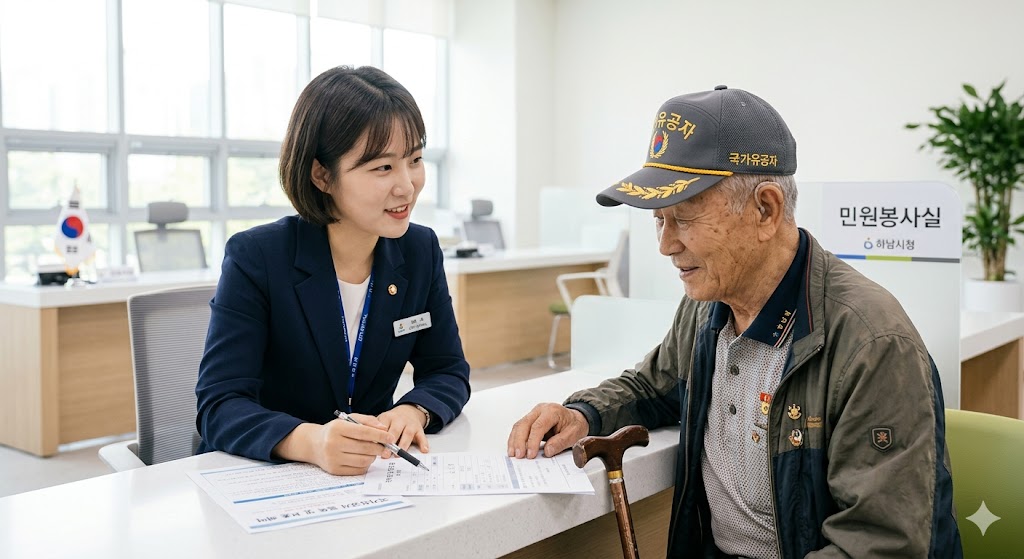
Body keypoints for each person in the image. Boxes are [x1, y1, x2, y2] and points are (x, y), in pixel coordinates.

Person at [507, 86, 962, 558]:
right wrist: (583, 414)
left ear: (766, 209)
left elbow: (882, 545)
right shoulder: (709, 303)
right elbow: (653, 387)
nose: (665, 245)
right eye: (659, 220)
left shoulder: (871, 344)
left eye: (683, 218)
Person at [196, 66, 471, 476]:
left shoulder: (419, 250)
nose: (407, 186)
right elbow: (219, 405)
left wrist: (414, 410)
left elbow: (447, 369)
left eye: (414, 160)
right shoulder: (257, 256)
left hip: (365, 476)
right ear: (322, 174)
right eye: (382, 168)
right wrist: (312, 441)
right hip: (264, 476)